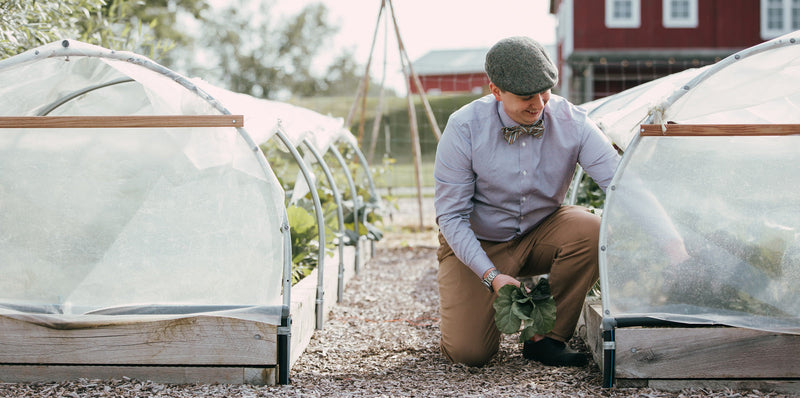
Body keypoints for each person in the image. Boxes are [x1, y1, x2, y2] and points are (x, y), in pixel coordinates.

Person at [433, 36, 621, 367]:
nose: (538, 104)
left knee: (592, 229)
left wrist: (671, 239)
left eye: (544, 92)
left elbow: (620, 185)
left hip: (540, 230)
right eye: (525, 97)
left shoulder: (572, 121)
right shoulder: (464, 128)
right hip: (479, 241)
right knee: (469, 354)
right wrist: (491, 276)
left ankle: (545, 338)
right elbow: (450, 217)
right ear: (495, 91)